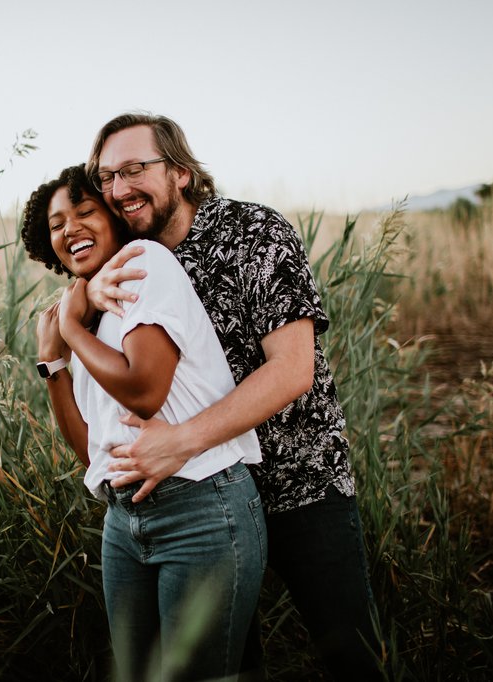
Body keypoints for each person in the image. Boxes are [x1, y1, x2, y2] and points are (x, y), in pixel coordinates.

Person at [82, 113, 382, 680]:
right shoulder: (128, 260)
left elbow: (293, 370)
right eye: (106, 177)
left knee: (351, 655)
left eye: (134, 169)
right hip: (203, 502)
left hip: (299, 484)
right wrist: (85, 290)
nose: (119, 189)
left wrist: (182, 442)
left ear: (181, 173)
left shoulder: (253, 233)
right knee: (227, 665)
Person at [21, 164, 267, 681]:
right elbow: (96, 453)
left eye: (85, 211)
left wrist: (68, 326)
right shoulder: (92, 310)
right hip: (123, 523)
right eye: (57, 223)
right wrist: (54, 365)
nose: (70, 229)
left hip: (201, 507)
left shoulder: (145, 262)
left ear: (114, 216)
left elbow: (145, 391)